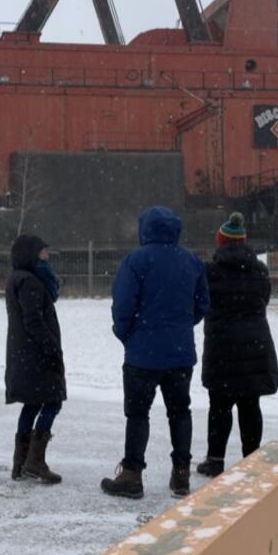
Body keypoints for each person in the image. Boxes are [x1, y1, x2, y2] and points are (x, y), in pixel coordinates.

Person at [101, 206, 209, 499]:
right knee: (180, 412)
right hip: (180, 352)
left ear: (144, 229)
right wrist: (180, 327)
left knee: (138, 414)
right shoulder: (191, 261)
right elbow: (201, 305)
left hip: (142, 354)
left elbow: (123, 306)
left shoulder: (136, 260)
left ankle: (132, 474)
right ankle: (181, 473)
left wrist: (128, 334)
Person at [195, 212, 278, 478]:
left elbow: (203, 303)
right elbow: (263, 300)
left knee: (219, 404)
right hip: (255, 344)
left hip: (222, 346)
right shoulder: (259, 270)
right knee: (250, 404)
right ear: (243, 242)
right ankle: (251, 459)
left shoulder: (210, 271)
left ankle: (215, 460)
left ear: (220, 242)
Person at [5, 234, 66, 484]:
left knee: (32, 404)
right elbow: (33, 320)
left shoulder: (18, 278)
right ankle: (35, 461)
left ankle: (20, 463)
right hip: (36, 355)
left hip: (24, 354)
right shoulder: (30, 281)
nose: (47, 256)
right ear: (31, 254)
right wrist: (51, 349)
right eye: (42, 252)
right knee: (52, 402)